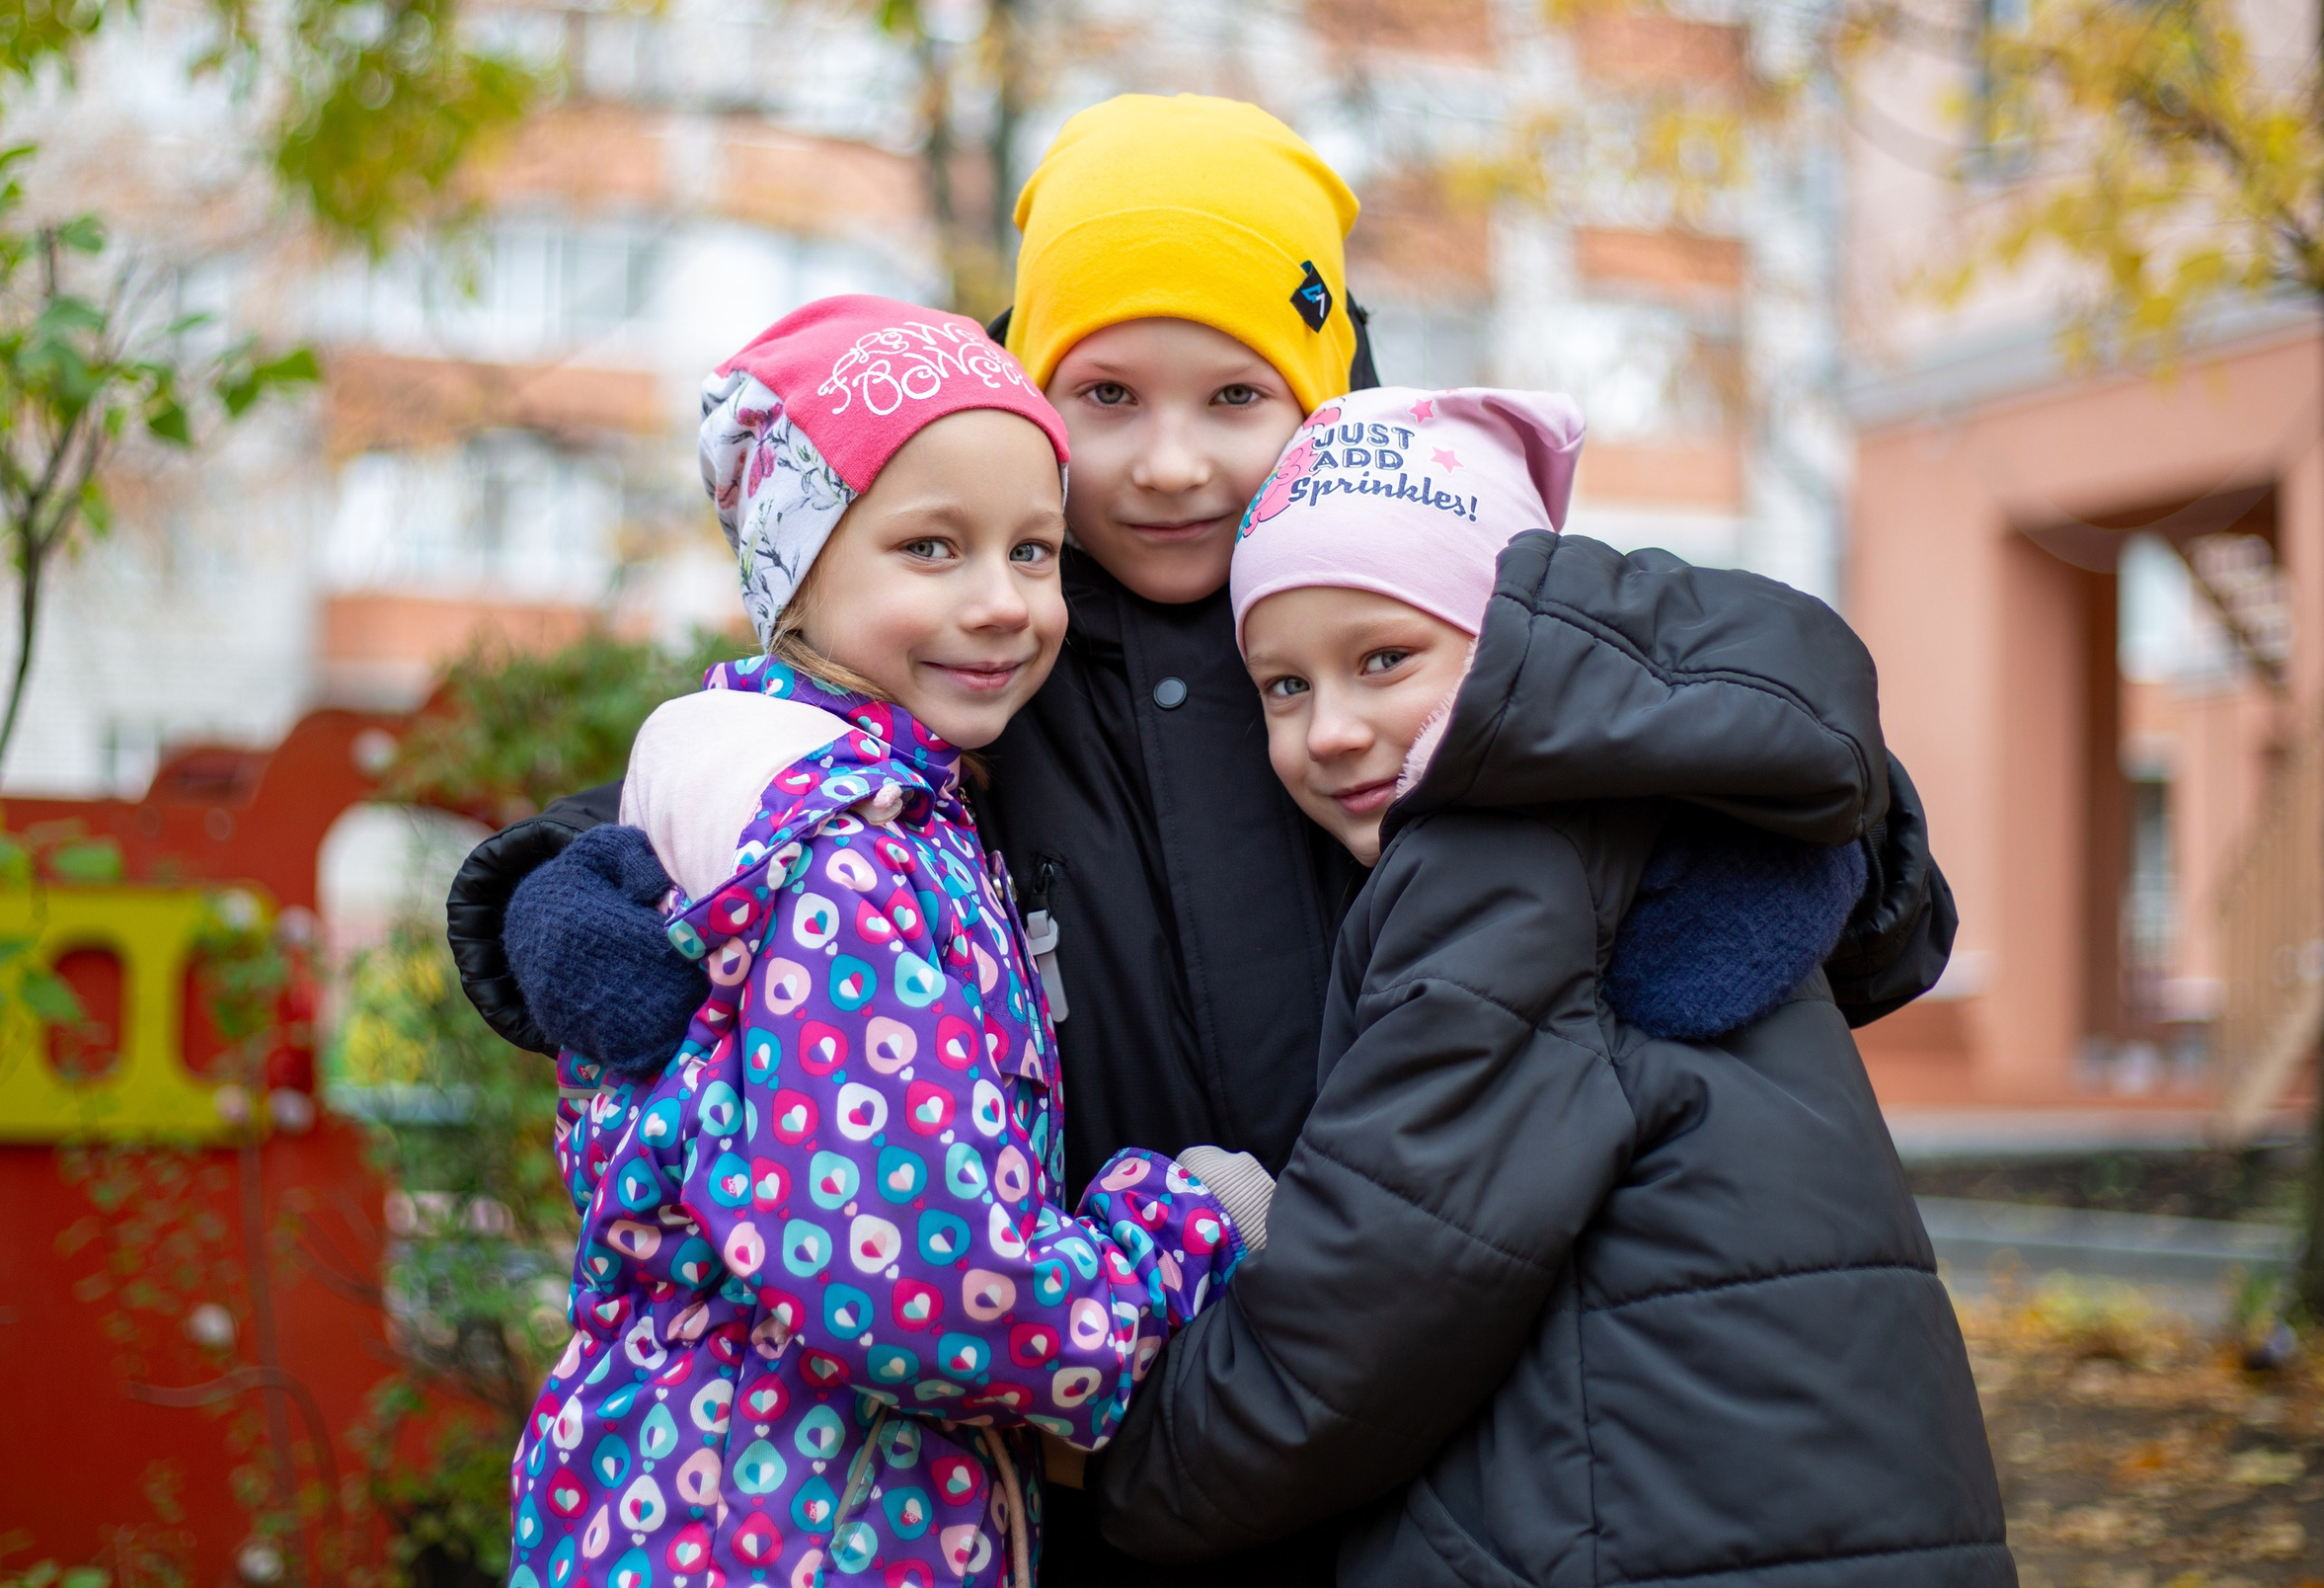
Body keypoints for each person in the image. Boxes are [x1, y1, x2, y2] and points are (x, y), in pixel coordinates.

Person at [449, 96, 1963, 1588]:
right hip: (1111, 1421)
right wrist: (559, 881)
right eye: (1106, 398)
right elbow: (788, 763)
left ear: (1316, 392)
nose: (1170, 465)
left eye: (1234, 398)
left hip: (1434, 1437)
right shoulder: (989, 661)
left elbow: (1718, 746)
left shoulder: (1406, 609)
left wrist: (1790, 839)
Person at [1086, 386, 2014, 1588]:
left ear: (1511, 645)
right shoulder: (1661, 826)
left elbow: (1358, 1333)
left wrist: (1104, 1469)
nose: (1329, 729)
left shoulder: (1502, 866)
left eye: (1384, 658)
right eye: (1283, 686)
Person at [498, 295, 1247, 1588]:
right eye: (932, 548)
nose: (1004, 602)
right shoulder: (847, 855)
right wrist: (1176, 1227)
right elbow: (936, 1289)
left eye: (1032, 552)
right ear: (795, 572)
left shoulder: (874, 809)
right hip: (798, 1528)